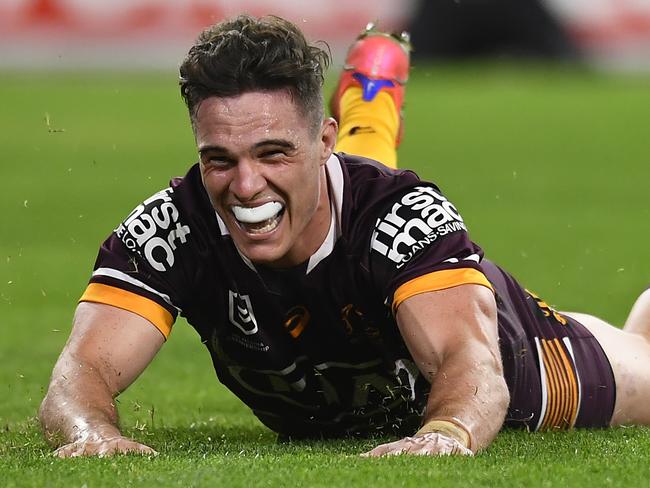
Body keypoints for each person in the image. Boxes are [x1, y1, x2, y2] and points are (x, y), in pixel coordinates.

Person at [39, 14, 650, 458]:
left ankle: (367, 114)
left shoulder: (404, 215)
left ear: (321, 139)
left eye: (272, 150)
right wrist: (92, 431)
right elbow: (80, 373)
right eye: (219, 159)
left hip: (522, 357)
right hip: (345, 213)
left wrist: (444, 435)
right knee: (309, 195)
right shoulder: (174, 226)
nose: (244, 185)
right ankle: (365, 112)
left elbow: (474, 367)